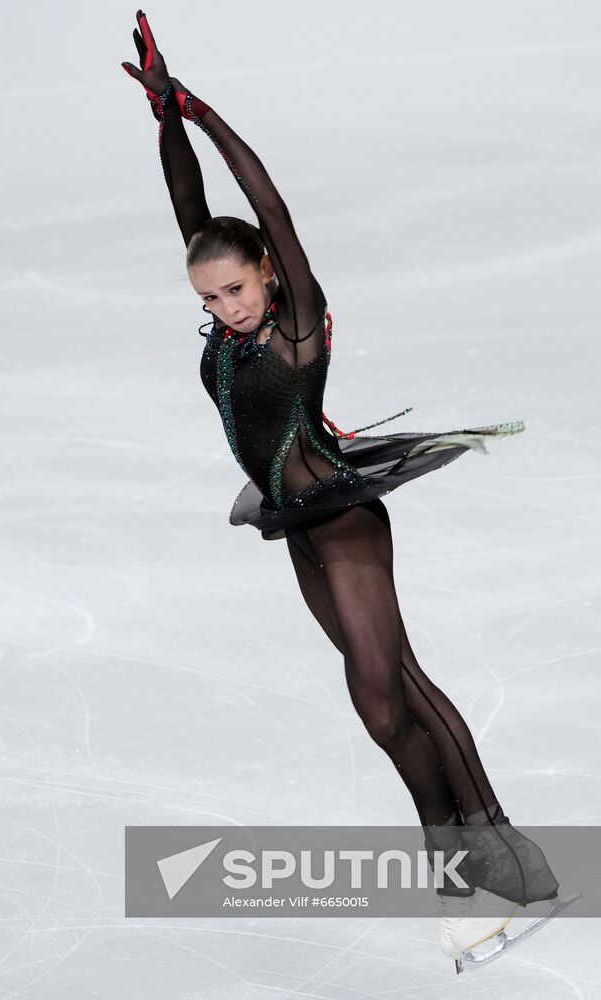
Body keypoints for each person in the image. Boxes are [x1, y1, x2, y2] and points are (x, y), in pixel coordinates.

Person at [121, 10, 561, 919]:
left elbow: (268, 205)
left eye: (237, 287)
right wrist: (162, 121)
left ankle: (499, 838)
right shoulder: (228, 333)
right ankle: (445, 845)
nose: (225, 305)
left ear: (271, 279)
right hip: (297, 532)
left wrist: (199, 108)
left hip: (346, 520)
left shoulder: (294, 326)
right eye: (209, 296)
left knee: (390, 678)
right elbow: (190, 211)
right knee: (377, 709)